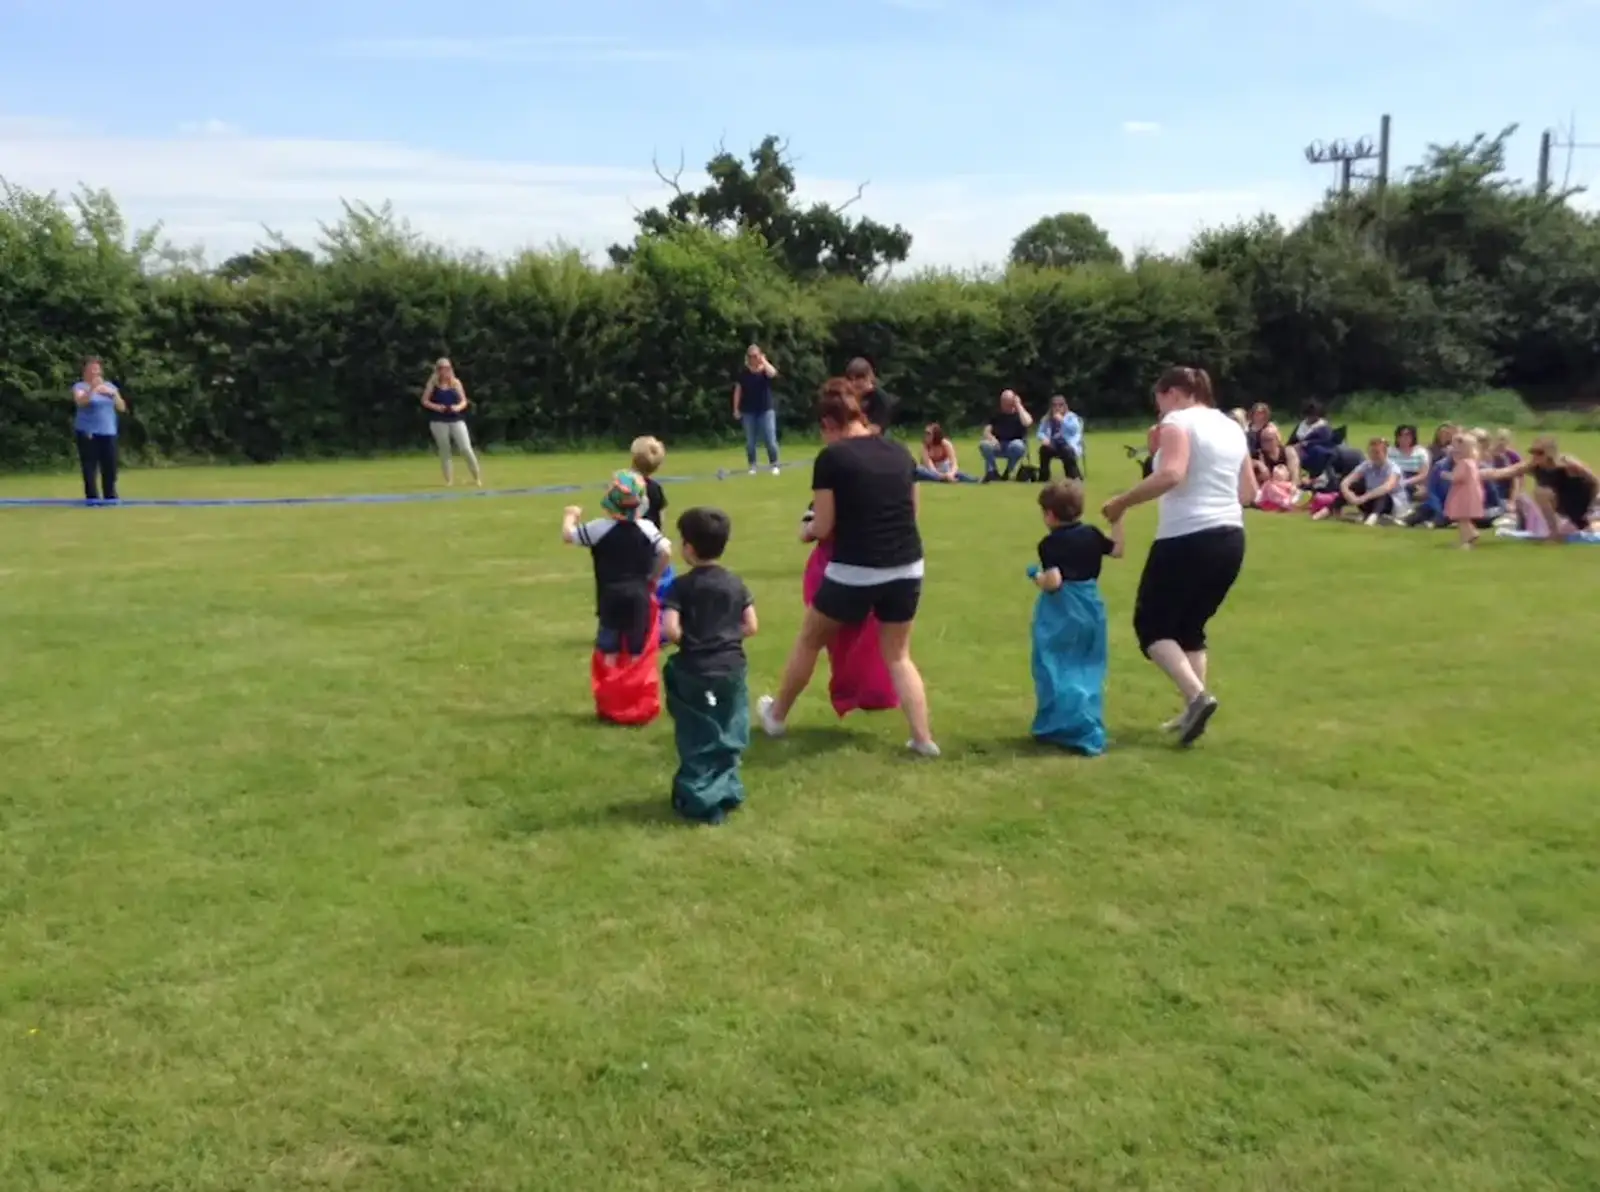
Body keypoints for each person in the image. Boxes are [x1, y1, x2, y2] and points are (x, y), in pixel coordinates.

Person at [758, 378, 937, 756]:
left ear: (828, 423)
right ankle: (923, 739)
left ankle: (775, 716)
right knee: (899, 655)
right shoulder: (900, 451)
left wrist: (805, 531)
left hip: (856, 568)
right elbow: (913, 512)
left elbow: (823, 526)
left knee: (809, 639)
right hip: (907, 565)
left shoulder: (833, 459)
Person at [1101, 366, 1256, 747]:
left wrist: (1121, 502)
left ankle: (1198, 696)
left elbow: (1171, 474)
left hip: (1187, 537)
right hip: (1231, 538)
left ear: (1173, 392)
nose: (1158, 408)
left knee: (1151, 627)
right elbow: (1249, 492)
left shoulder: (1177, 421)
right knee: (1190, 628)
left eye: (1158, 399)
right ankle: (1193, 709)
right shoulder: (1231, 427)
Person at [661, 507, 758, 825]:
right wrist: (726, 637)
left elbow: (671, 630)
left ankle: (700, 798)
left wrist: (693, 640)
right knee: (728, 727)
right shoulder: (735, 583)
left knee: (697, 733)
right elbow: (751, 625)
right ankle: (727, 788)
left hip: (695, 669)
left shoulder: (681, 587)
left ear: (688, 547)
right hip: (731, 668)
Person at [1027, 480, 1123, 755]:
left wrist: (1037, 577)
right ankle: (1084, 721)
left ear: (1050, 515)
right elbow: (1117, 549)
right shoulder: (1092, 533)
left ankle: (1061, 725)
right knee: (1088, 664)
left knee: (1054, 664)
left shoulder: (1049, 544)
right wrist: (1118, 520)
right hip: (1092, 605)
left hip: (1063, 609)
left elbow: (1054, 581)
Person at [561, 470, 671, 665]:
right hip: (639, 593)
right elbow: (666, 551)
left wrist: (570, 516)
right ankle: (636, 687)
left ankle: (611, 686)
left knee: (609, 646)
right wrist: (654, 576)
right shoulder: (647, 528)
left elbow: (569, 535)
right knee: (637, 646)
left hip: (609, 594)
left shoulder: (598, 528)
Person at [1482, 435, 1597, 541]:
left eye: (1540, 452)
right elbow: (1503, 472)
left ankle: (1556, 532)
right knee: (1528, 497)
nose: (1535, 456)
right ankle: (1551, 531)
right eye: (1533, 452)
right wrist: (1476, 473)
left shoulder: (1568, 464)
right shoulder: (1533, 465)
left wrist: (1591, 507)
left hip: (1579, 502)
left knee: (1542, 492)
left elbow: (1595, 481)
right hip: (1562, 505)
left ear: (1551, 453)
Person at [420, 358, 483, 487]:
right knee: (445, 450)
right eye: (442, 368)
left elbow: (464, 401)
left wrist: (457, 407)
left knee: (465, 448)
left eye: (447, 368)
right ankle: (449, 480)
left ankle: (476, 477)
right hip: (438, 420)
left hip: (456, 419)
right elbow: (425, 401)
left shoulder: (456, 383)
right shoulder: (433, 384)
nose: (445, 371)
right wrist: (437, 407)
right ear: (437, 370)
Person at [71, 357, 126, 502]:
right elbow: (81, 402)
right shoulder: (80, 386)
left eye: (97, 368)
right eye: (92, 368)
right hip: (89, 432)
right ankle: (92, 498)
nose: (95, 372)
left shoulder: (109, 386)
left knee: (110, 466)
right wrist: (93, 389)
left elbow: (121, 407)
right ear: (85, 371)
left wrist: (112, 394)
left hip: (109, 431)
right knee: (90, 466)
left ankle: (110, 496)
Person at [1313, 436, 1401, 524]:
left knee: (1382, 495)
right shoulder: (1367, 465)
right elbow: (1346, 482)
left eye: (1377, 453)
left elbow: (1387, 488)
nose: (1374, 456)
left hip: (1388, 504)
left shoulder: (1393, 468)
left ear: (1385, 453)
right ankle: (1329, 510)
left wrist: (1363, 497)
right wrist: (1349, 494)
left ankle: (1374, 517)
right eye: (1371, 452)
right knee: (1355, 486)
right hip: (1368, 501)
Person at [732, 344, 780, 475]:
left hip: (766, 409)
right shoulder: (744, 372)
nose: (754, 359)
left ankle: (774, 463)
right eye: (751, 356)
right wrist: (736, 408)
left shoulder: (765, 370)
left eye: (756, 356)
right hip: (748, 411)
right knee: (750, 441)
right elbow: (738, 391)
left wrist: (764, 361)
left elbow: (773, 373)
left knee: (770, 439)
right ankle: (752, 465)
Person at [978, 390, 1033, 481]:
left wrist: (1018, 405)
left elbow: (1027, 423)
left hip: (1014, 445)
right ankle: (992, 471)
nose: (1004, 405)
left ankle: (1009, 471)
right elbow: (986, 431)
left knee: (1017, 445)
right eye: (1003, 402)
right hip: (998, 444)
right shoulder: (996, 414)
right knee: (984, 444)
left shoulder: (1020, 414)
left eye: (1007, 402)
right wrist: (992, 438)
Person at [1444, 432, 1484, 548]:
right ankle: (1472, 533)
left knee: (1462, 519)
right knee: (1465, 518)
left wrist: (1447, 475)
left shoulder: (1464, 463)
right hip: (1471, 493)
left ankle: (1466, 539)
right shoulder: (1472, 462)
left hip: (1463, 495)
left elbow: (1457, 477)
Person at [1036, 394, 1084, 481]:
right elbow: (1040, 432)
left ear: (1065, 406)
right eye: (1054, 405)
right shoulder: (1047, 418)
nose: (1057, 408)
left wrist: (1062, 420)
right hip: (1053, 444)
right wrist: (1044, 438)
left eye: (1060, 405)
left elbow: (1074, 430)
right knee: (1044, 449)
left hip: (1068, 444)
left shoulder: (1071, 417)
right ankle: (1043, 476)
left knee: (1066, 450)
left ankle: (1073, 476)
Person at [844, 357, 894, 434]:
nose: (854, 383)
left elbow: (876, 429)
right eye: (850, 379)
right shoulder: (848, 396)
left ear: (869, 377)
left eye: (858, 378)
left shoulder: (880, 398)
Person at [1251, 424, 1300, 489]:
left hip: (1287, 488)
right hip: (1267, 491)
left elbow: (1294, 476)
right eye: (1263, 440)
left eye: (1269, 440)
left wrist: (1293, 487)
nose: (1265, 443)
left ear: (1277, 439)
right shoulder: (1258, 455)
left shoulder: (1288, 452)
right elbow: (1245, 462)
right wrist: (1258, 463)